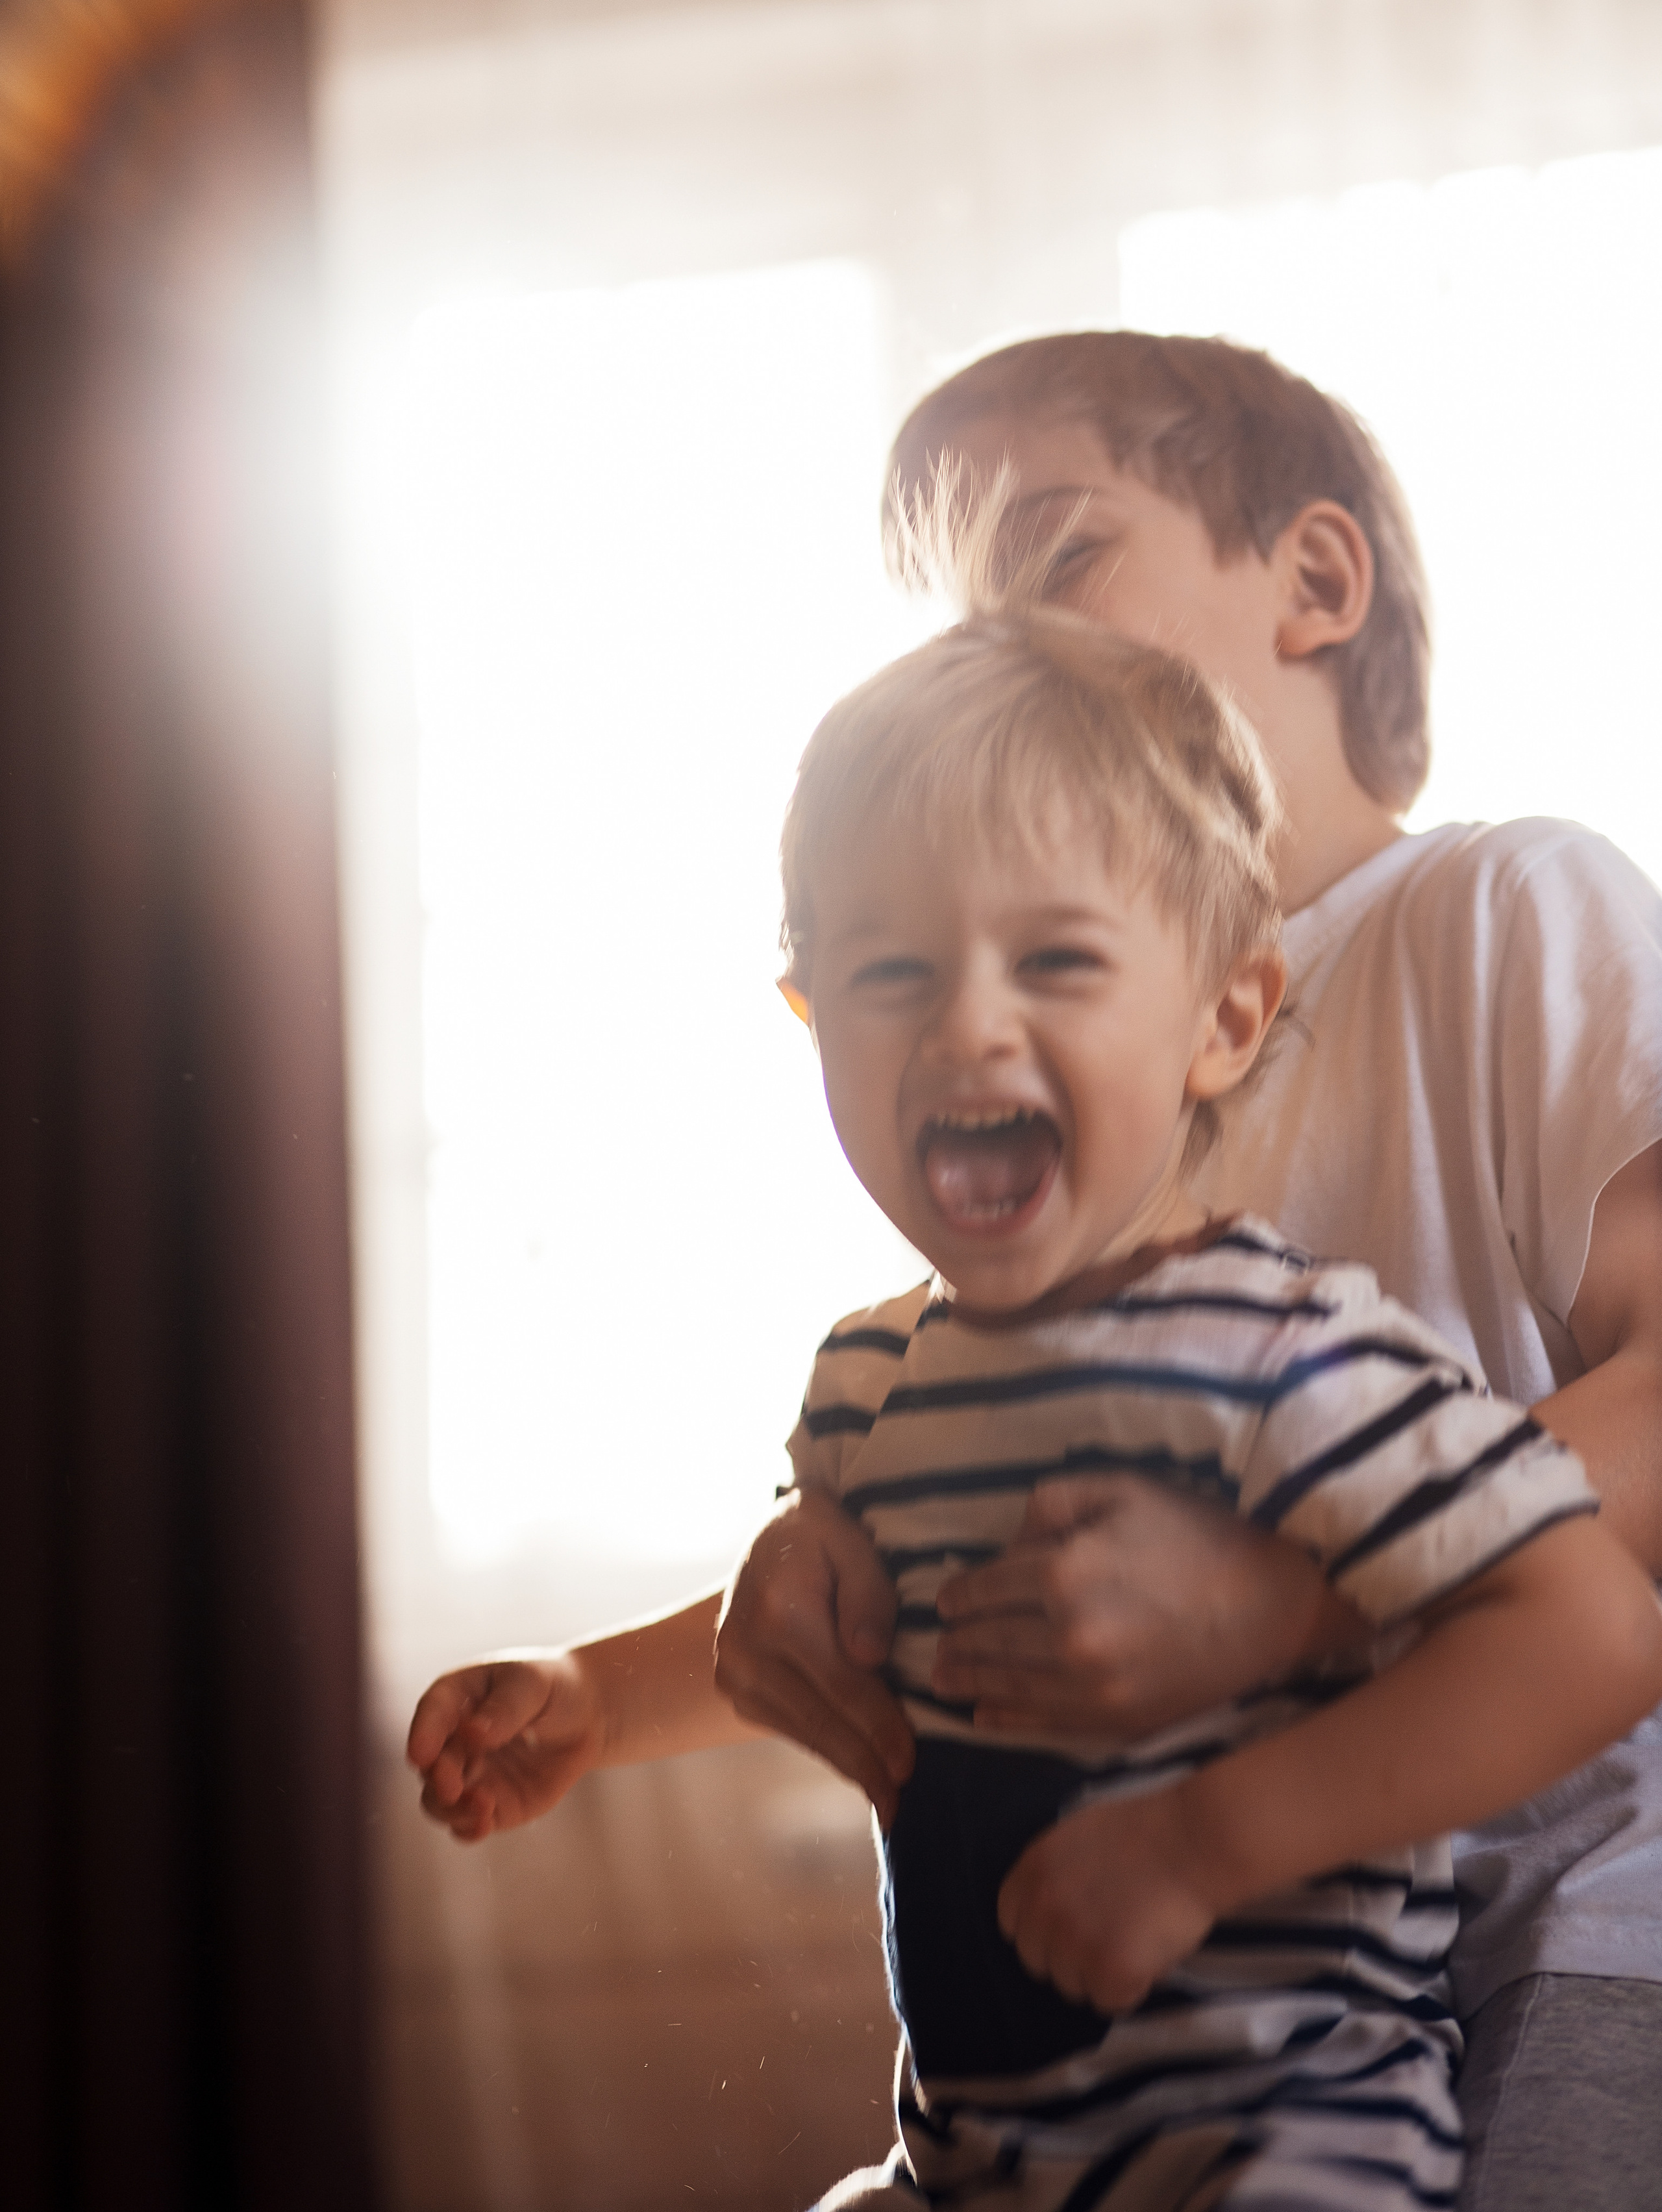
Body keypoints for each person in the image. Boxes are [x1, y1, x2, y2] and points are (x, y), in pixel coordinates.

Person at [409, 334, 1662, 2206]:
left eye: (1058, 558)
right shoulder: (1078, 1076)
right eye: (964, 622)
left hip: (1558, 1925)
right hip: (1172, 2012)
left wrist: (1283, 1602)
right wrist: (611, 1689)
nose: (1005, 649)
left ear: (1317, 582)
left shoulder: (1506, 908)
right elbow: (962, 1528)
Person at [748, 533, 1661, 2209]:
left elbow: (1593, 1631)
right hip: (972, 2153)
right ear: (809, 1013)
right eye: (892, 972)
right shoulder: (867, 1376)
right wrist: (622, 1677)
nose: (968, 1028)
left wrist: (1200, 1839)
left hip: (1286, 2147)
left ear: (1229, 1021)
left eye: (1054, 961)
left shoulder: (1285, 1347)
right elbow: (859, 1588)